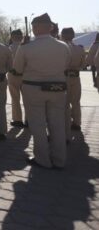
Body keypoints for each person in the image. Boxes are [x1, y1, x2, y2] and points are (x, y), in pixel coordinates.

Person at [13, 13, 70, 169]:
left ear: (35, 27)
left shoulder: (26, 48)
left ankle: (42, 159)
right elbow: (65, 66)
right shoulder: (63, 46)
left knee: (37, 124)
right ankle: (59, 159)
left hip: (33, 88)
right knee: (57, 124)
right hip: (58, 89)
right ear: (51, 27)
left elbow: (17, 69)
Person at [61, 27, 84, 136]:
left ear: (62, 35)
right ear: (73, 35)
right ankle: (77, 123)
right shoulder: (80, 48)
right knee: (76, 101)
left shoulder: (60, 48)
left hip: (63, 77)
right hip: (75, 76)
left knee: (64, 102)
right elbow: (83, 65)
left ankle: (66, 124)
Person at [8, 29, 26, 127]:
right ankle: (29, 119)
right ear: (22, 36)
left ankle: (17, 119)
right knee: (27, 99)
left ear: (12, 37)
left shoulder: (9, 48)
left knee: (15, 99)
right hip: (26, 75)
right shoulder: (27, 47)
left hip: (13, 75)